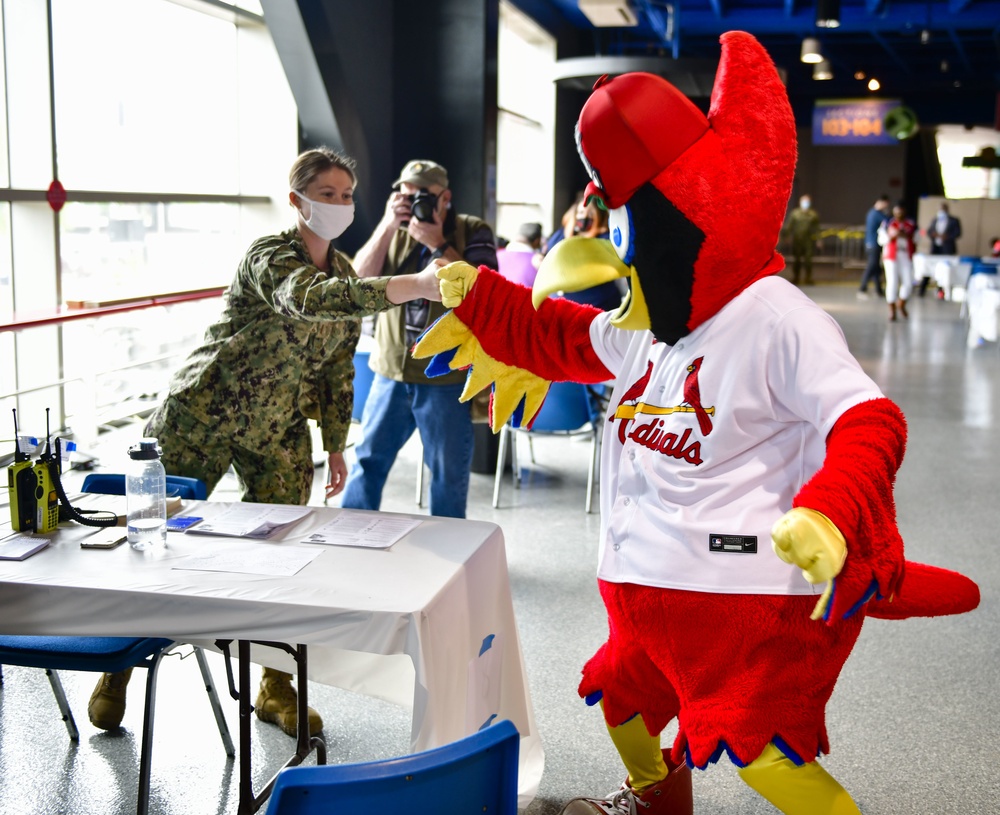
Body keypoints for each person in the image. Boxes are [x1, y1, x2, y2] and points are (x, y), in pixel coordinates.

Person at [415, 32, 978, 815]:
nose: (621, 258)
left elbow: (868, 419)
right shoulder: (647, 323)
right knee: (625, 707)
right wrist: (478, 296)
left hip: (748, 603)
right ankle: (655, 803)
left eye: (637, 234)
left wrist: (828, 507)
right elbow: (563, 336)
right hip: (649, 600)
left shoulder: (775, 318)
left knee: (766, 759)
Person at [86, 147, 445, 739]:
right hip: (201, 411)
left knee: (284, 559)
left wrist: (334, 444)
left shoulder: (347, 275)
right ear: (296, 199)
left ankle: (275, 687)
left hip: (275, 426)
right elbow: (307, 299)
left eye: (346, 195)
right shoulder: (270, 256)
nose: (338, 204)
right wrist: (414, 284)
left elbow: (336, 367)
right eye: (326, 193)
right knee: (151, 544)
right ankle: (116, 668)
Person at [340, 159, 498, 518]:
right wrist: (385, 225)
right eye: (406, 194)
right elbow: (355, 286)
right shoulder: (393, 231)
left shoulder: (473, 230)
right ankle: (346, 539)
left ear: (446, 198)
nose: (414, 204)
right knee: (367, 461)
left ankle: (450, 555)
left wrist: (439, 244)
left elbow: (486, 295)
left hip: (446, 375)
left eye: (424, 195)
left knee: (447, 473)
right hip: (391, 372)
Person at [559, 198, 626, 313]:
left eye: (590, 213)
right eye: (580, 212)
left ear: (599, 217)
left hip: (600, 308)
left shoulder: (606, 240)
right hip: (569, 307)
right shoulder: (564, 238)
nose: (584, 217)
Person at [880, 200, 917, 321]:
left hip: (905, 255)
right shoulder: (887, 223)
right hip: (891, 255)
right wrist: (892, 236)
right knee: (892, 282)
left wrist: (907, 235)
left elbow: (917, 238)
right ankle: (892, 309)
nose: (899, 213)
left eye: (901, 211)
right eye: (897, 211)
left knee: (908, 282)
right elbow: (881, 240)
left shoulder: (911, 224)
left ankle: (901, 304)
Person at [919, 201, 962, 296]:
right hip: (935, 248)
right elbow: (929, 231)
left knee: (945, 269)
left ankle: (941, 291)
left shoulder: (954, 220)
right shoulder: (935, 219)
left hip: (947, 248)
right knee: (929, 267)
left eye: (944, 208)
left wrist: (947, 236)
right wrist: (933, 235)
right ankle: (922, 289)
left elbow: (958, 233)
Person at [784, 194, 821, 285]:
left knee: (808, 260)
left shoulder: (813, 215)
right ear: (800, 203)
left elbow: (817, 228)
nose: (805, 204)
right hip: (797, 240)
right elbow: (790, 226)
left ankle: (808, 278)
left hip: (808, 240)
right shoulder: (795, 214)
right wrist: (787, 236)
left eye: (807, 202)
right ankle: (796, 277)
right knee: (797, 260)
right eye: (804, 201)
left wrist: (819, 240)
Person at [858, 194, 889, 299]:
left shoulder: (871, 213)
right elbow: (887, 221)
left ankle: (878, 290)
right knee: (872, 266)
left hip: (871, 244)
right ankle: (862, 288)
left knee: (876, 267)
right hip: (873, 244)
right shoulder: (876, 214)